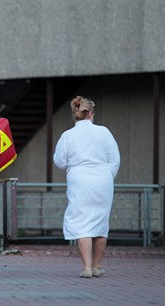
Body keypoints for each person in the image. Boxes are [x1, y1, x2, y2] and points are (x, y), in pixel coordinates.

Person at [53, 96, 120, 278]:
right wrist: (107, 175)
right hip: (102, 180)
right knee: (100, 221)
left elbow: (59, 161)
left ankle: (87, 267)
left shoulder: (67, 136)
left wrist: (71, 168)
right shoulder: (104, 132)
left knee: (82, 221)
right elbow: (115, 159)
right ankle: (98, 266)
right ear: (91, 113)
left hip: (79, 179)